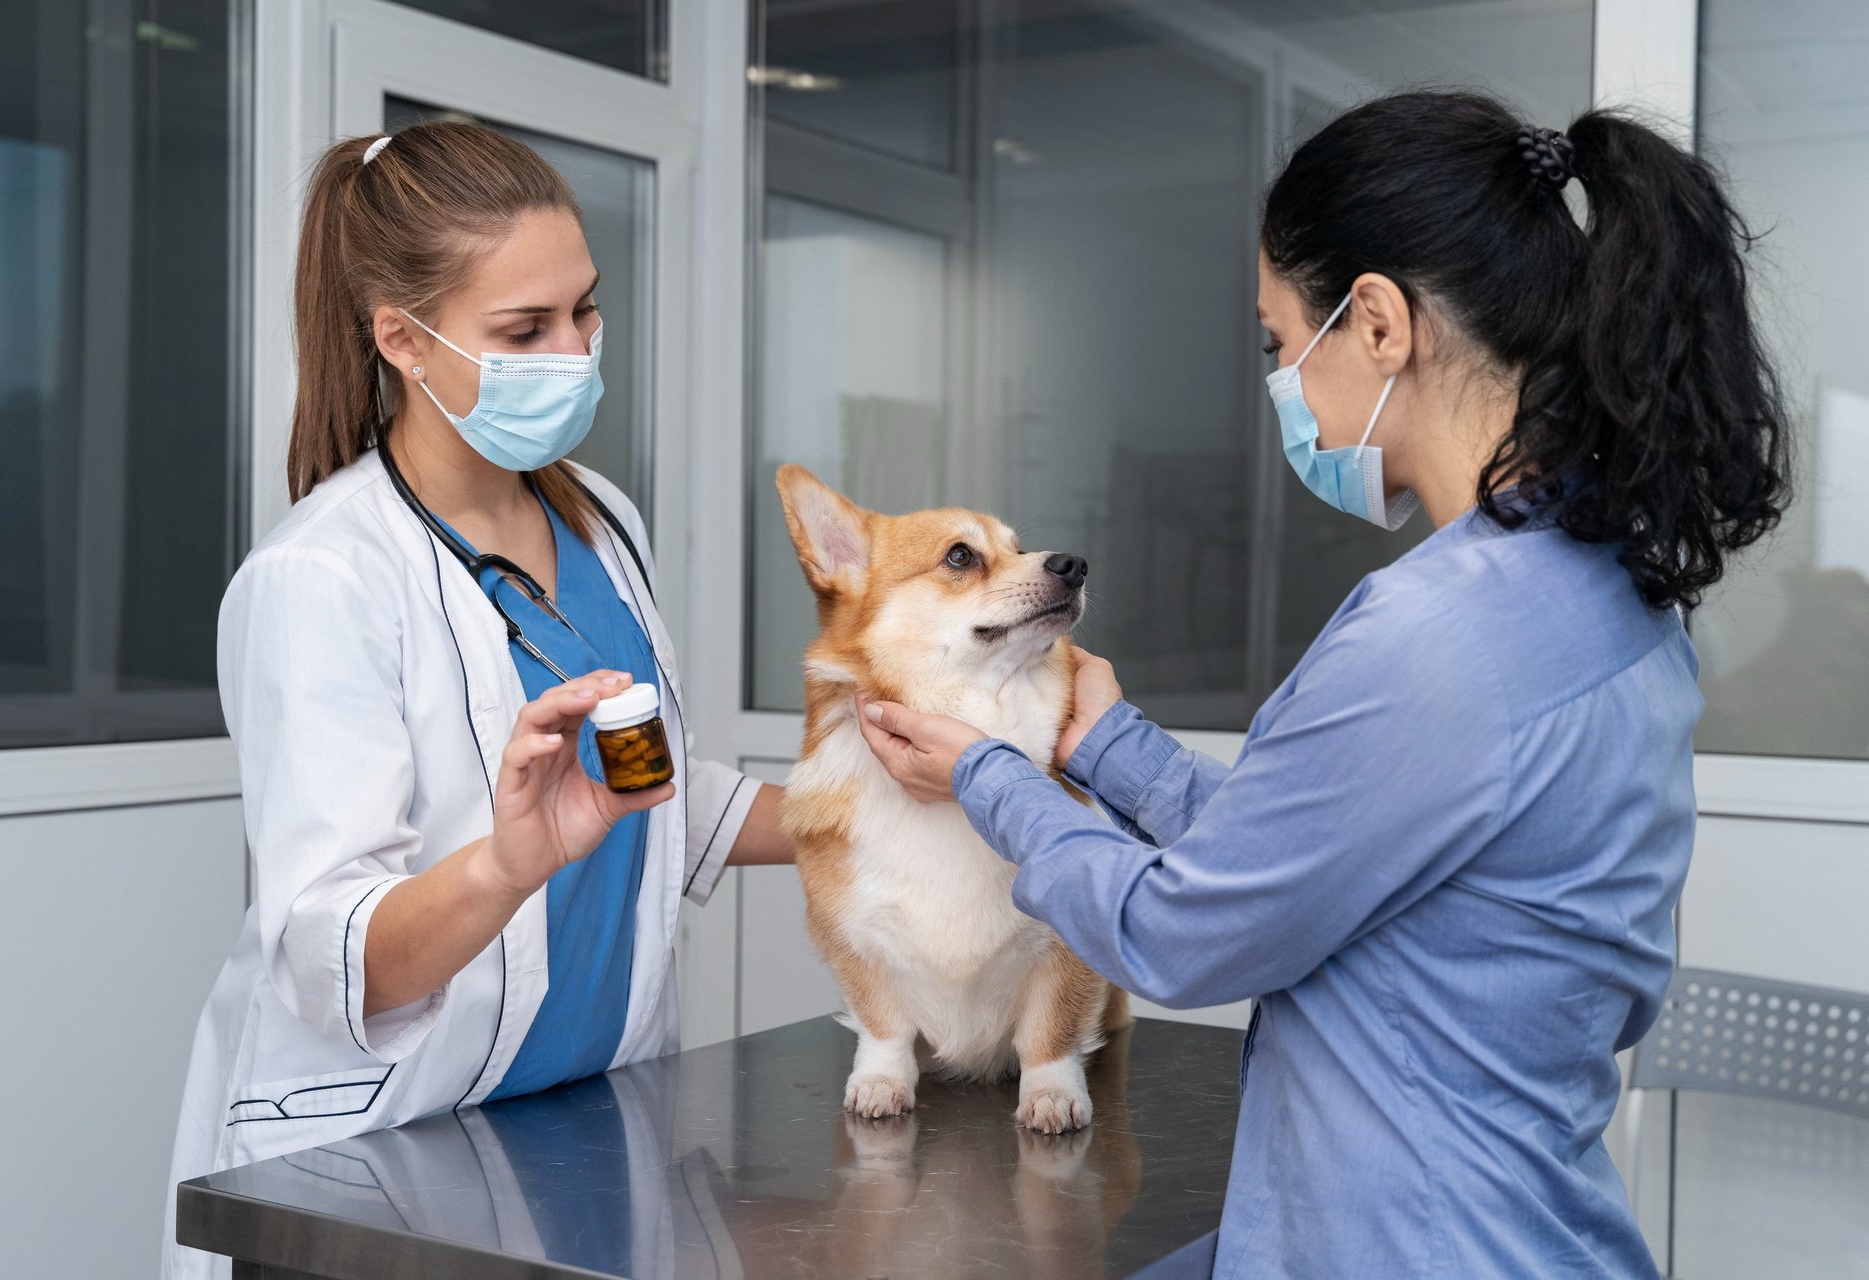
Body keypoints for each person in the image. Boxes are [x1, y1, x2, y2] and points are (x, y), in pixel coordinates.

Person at [854, 91, 1790, 1278]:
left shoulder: (1442, 635)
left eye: (1279, 342)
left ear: (1382, 324)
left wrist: (989, 775)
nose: (1283, 381)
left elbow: (1192, 928)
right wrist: (1108, 747)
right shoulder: (1604, 589)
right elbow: (1316, 858)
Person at [163, 122, 791, 1280]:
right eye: (526, 330)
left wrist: (868, 808)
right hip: (379, 1162)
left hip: (580, 1132)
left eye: (585, 312)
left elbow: (639, 779)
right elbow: (329, 951)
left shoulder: (600, 520)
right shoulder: (327, 575)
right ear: (401, 337)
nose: (576, 351)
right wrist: (510, 861)